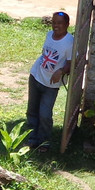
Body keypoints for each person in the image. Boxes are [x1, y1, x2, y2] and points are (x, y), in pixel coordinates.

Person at [26, 10, 74, 152]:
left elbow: (71, 62)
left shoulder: (70, 42)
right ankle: (31, 139)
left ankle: (44, 143)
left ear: (67, 24)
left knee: (45, 115)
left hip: (51, 84)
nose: (56, 26)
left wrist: (61, 71)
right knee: (32, 111)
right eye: (53, 23)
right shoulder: (49, 35)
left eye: (59, 23)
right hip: (36, 76)